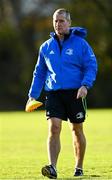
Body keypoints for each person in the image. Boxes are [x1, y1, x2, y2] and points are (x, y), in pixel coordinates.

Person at [27, 8, 97, 179]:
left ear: (69, 23)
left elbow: (91, 65)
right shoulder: (46, 47)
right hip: (54, 93)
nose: (58, 24)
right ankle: (53, 167)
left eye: (62, 21)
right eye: (55, 21)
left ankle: (79, 167)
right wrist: (33, 95)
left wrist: (85, 85)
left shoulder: (81, 44)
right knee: (54, 128)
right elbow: (40, 73)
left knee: (77, 129)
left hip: (76, 93)